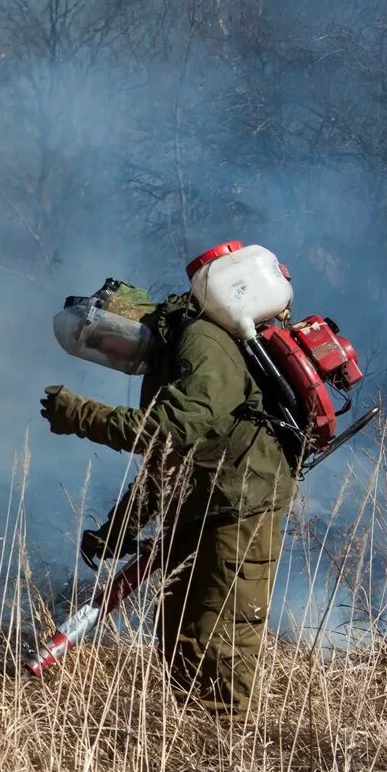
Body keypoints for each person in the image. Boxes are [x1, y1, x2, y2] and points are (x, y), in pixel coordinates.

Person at [39, 275, 297, 715]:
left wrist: (81, 415)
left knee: (222, 635)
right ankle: (191, 737)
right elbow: (165, 462)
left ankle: (229, 752)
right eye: (99, 349)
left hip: (239, 505)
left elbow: (170, 430)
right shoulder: (163, 362)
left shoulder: (202, 342)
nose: (109, 353)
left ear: (130, 323)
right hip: (196, 504)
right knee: (177, 633)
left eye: (106, 340)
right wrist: (118, 531)